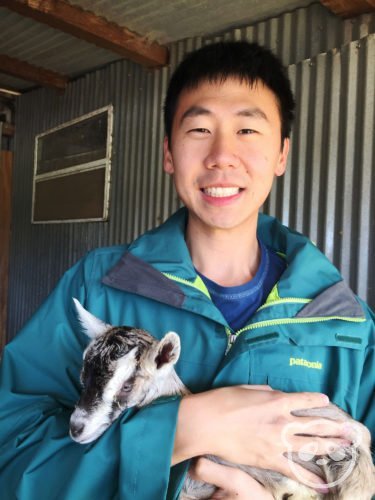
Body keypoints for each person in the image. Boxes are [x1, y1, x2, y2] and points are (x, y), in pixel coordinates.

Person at [0, 41, 373, 500]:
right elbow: (11, 458)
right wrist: (184, 430)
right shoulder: (97, 290)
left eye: (248, 131)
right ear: (169, 154)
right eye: (199, 128)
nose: (221, 154)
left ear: (281, 155)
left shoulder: (345, 324)